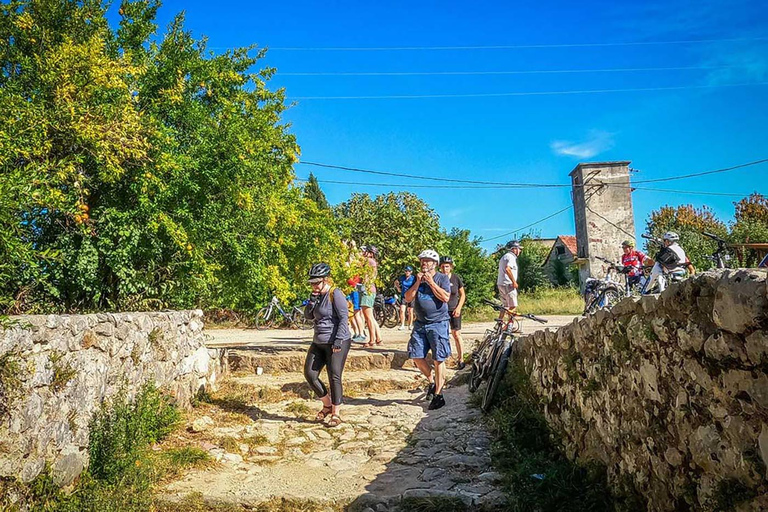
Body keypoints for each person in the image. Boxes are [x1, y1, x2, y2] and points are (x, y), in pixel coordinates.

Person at [303, 263, 352, 428]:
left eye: (317, 282)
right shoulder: (316, 296)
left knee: (334, 375)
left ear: (325, 280)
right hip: (319, 341)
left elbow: (344, 318)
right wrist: (311, 302)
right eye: (312, 283)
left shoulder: (335, 294)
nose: (314, 285)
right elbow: (308, 316)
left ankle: (336, 413)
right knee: (310, 374)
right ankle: (327, 403)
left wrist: (338, 340)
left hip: (337, 340)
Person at [404, 249, 452, 410]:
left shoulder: (442, 278)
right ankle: (432, 381)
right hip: (420, 323)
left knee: (439, 359)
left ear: (435, 264)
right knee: (416, 355)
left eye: (427, 261)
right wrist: (418, 282)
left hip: (438, 323)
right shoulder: (416, 279)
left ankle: (439, 395)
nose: (424, 263)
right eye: (422, 261)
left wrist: (431, 282)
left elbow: (445, 298)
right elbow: (408, 298)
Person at [439, 256, 466, 370]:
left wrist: (459, 308)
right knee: (442, 335)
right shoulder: (438, 278)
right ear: (440, 267)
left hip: (454, 310)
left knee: (456, 334)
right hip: (441, 311)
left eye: (447, 266)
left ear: (451, 267)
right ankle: (443, 359)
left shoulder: (456, 278)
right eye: (443, 266)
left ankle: (461, 358)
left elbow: (462, 295)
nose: (445, 269)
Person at [359, 245, 382, 346]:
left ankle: (372, 340)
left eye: (366, 251)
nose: (364, 253)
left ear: (370, 253)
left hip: (367, 290)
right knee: (371, 316)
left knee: (368, 316)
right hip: (370, 290)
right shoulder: (373, 262)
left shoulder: (369, 262)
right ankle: (378, 338)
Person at [496, 240, 521, 321]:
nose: (520, 250)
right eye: (518, 248)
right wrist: (514, 282)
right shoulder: (511, 257)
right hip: (508, 284)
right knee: (513, 305)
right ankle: (510, 325)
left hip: (501, 283)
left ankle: (499, 324)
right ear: (514, 249)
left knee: (505, 305)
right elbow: (508, 269)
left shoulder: (504, 257)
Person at [394, 266, 416, 330]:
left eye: (408, 271)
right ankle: (402, 324)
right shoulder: (402, 277)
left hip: (411, 296)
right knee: (402, 310)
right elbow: (396, 282)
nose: (407, 272)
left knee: (410, 311)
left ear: (411, 272)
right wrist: (398, 288)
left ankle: (410, 325)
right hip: (404, 295)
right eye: (406, 271)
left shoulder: (413, 278)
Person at [346, 276, 367, 343]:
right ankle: (356, 333)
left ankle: (362, 334)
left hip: (354, 290)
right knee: (351, 313)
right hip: (349, 290)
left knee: (356, 313)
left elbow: (355, 281)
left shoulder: (355, 268)